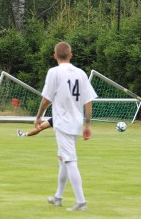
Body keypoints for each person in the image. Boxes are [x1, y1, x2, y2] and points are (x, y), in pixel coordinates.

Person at [34, 41, 97, 211]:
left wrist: (39, 117)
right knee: (63, 159)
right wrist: (88, 124)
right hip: (76, 122)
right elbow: (88, 100)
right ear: (71, 55)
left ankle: (81, 202)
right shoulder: (81, 73)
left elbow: (47, 99)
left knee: (69, 161)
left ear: (55, 56)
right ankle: (58, 197)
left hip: (63, 123)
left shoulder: (54, 72)